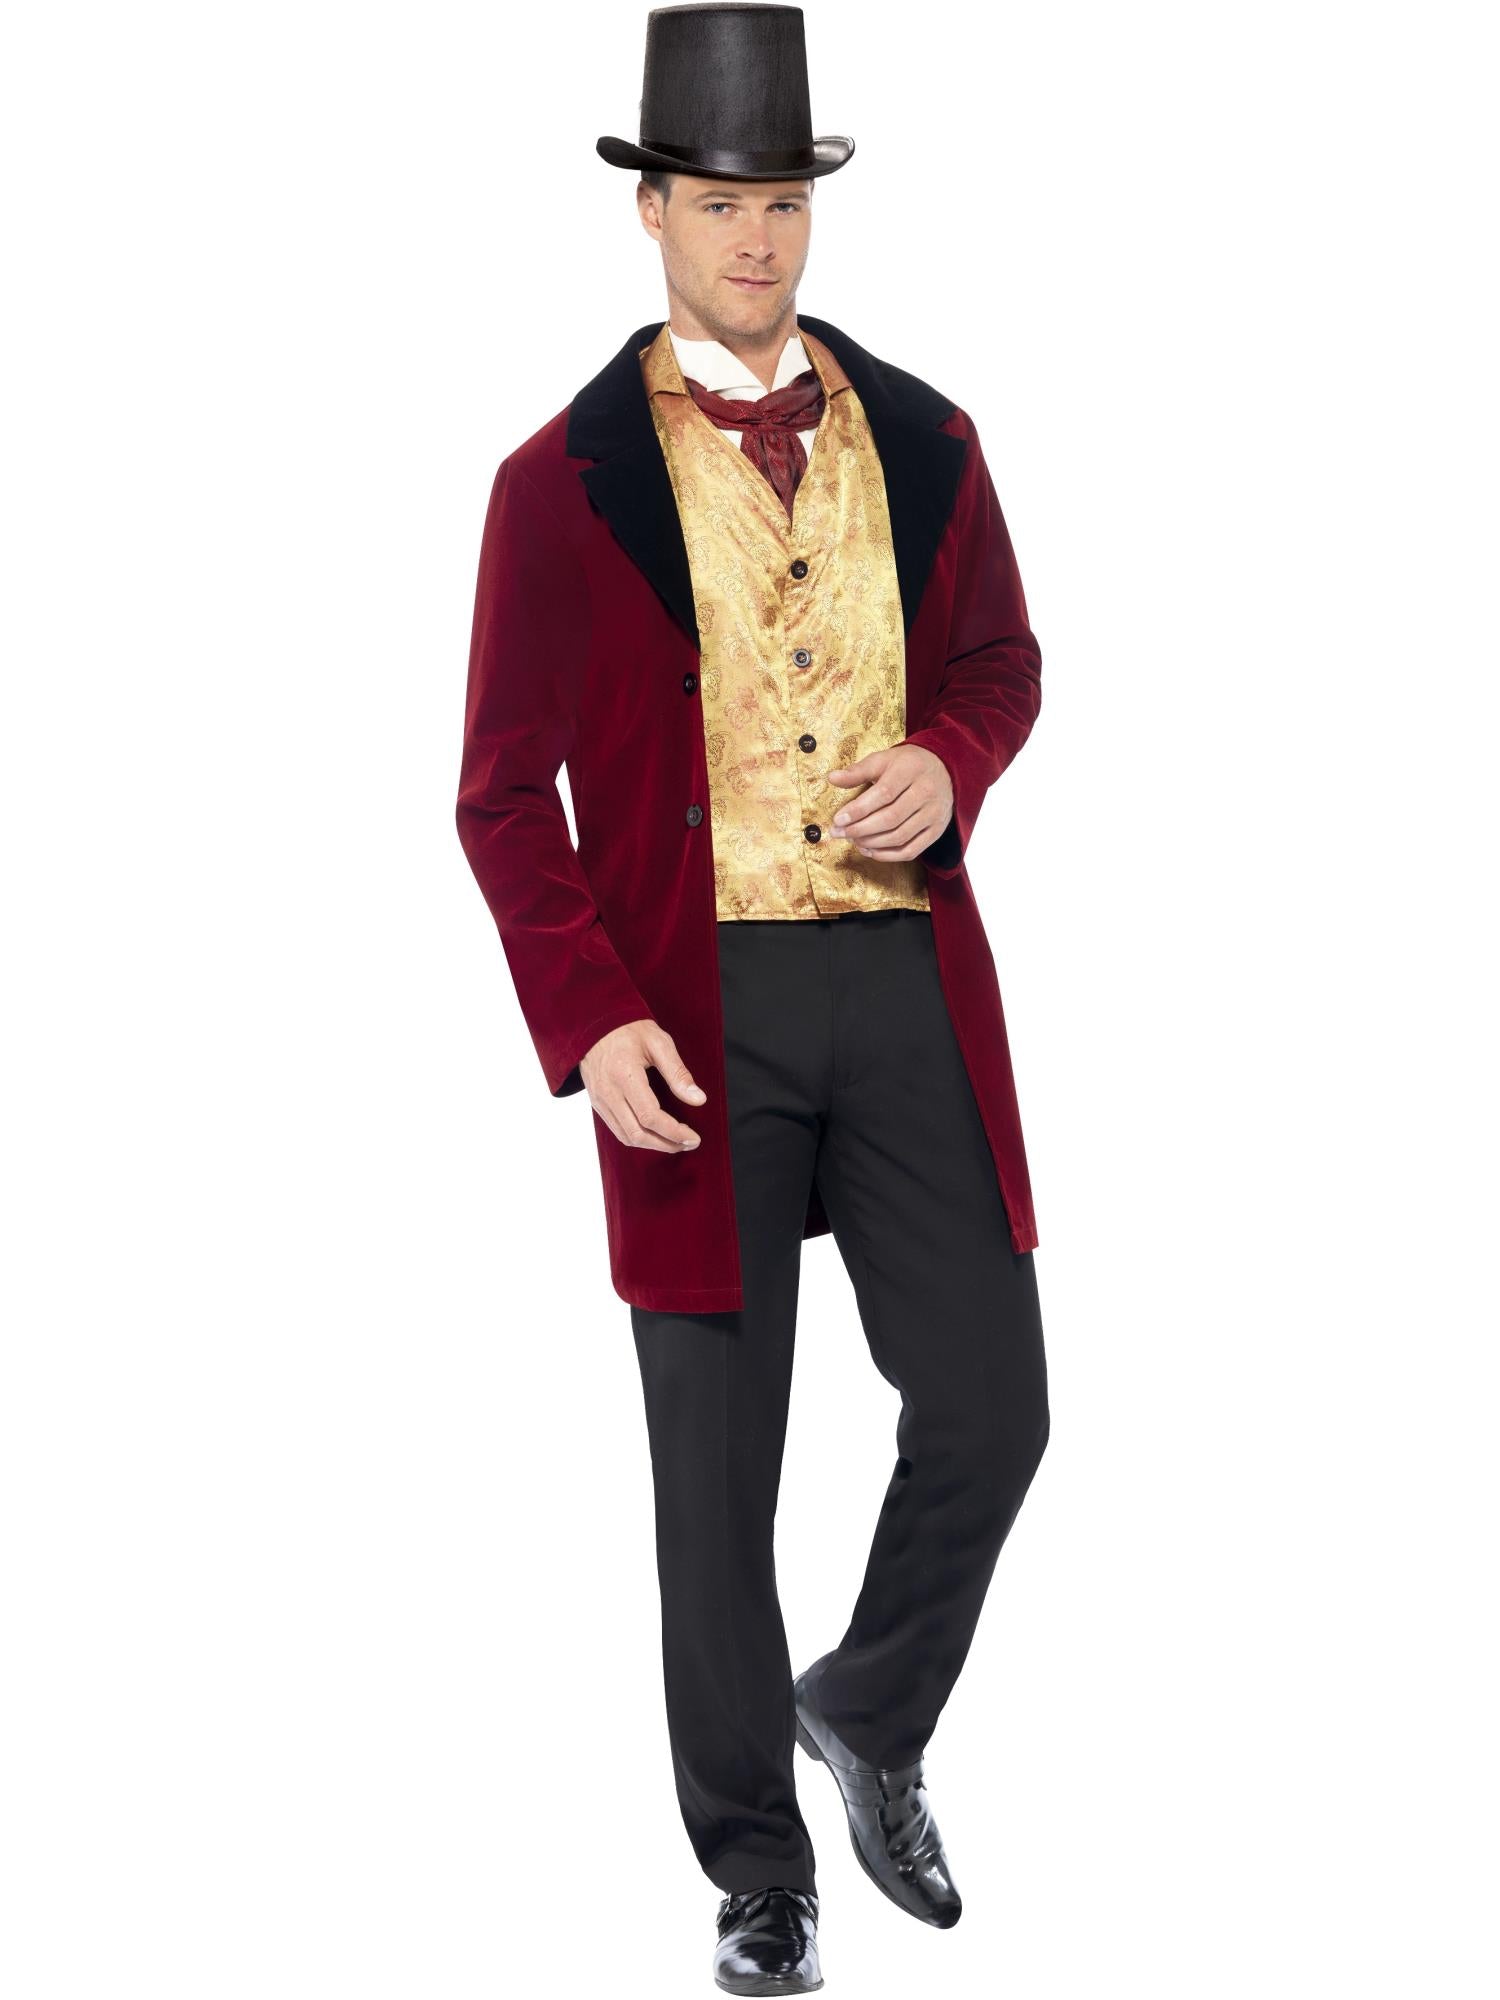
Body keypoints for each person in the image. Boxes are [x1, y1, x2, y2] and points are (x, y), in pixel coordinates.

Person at [455, 6, 1051, 1990]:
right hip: (688, 1013)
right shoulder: (557, 485)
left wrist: (952, 763)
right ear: (650, 212)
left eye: (783, 202)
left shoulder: (931, 439)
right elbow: (499, 791)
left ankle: (866, 1707)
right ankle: (754, 1868)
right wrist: (589, 1012)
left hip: (900, 980)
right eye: (719, 204)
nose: (757, 240)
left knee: (993, 1399)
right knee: (715, 1470)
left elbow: (1002, 661)